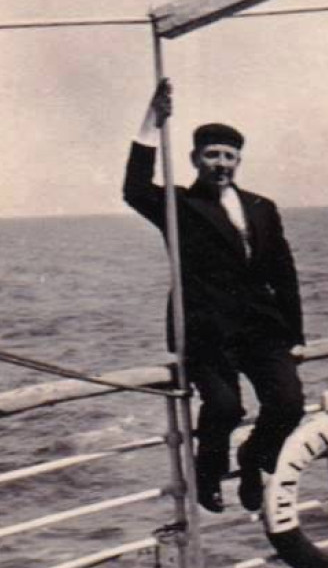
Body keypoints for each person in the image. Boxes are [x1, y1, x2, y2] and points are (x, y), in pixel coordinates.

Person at [123, 77, 306, 514]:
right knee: (224, 407)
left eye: (228, 155)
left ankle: (253, 460)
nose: (221, 163)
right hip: (206, 330)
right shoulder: (179, 206)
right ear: (194, 159)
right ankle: (208, 472)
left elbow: (283, 271)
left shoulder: (263, 207)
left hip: (262, 328)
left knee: (288, 403)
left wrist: (297, 333)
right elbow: (133, 188)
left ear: (239, 159)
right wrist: (152, 122)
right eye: (212, 155)